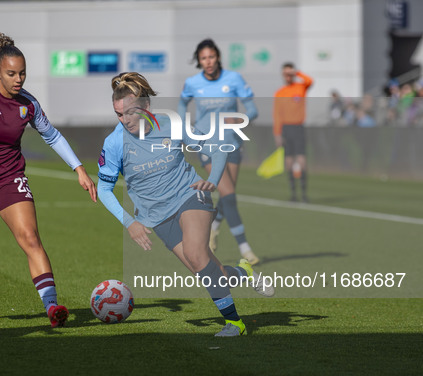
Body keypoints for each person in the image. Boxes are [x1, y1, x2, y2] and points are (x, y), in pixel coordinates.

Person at [98, 72, 273, 337]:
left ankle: (235, 323)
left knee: (196, 253)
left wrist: (212, 180)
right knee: (209, 271)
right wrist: (130, 222)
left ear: (146, 107)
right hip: (156, 216)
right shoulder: (114, 144)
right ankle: (243, 272)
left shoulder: (171, 124)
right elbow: (104, 189)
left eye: (131, 112)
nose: (126, 120)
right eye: (119, 115)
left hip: (190, 195)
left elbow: (218, 148)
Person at [0, 26, 97, 328]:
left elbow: (52, 136)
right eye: (12, 74)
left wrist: (79, 169)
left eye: (22, 73)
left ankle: (52, 307)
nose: (18, 80)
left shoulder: (28, 104)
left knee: (30, 237)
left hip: (9, 177)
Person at [178, 39, 260, 265]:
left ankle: (213, 227)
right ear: (199, 61)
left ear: (218, 57)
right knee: (229, 196)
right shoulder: (192, 83)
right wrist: (187, 129)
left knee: (227, 195)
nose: (208, 62)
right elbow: (182, 105)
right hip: (207, 145)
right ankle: (245, 249)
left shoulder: (233, 79)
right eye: (203, 58)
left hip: (232, 143)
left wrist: (240, 119)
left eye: (211, 57)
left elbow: (252, 110)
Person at [273, 62, 313, 203]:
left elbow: (310, 81)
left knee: (301, 159)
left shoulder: (300, 87)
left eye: (290, 73)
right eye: (285, 73)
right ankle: (293, 194)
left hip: (298, 127)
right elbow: (277, 114)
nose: (288, 76)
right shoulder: (280, 92)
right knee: (289, 161)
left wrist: (297, 73)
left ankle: (304, 194)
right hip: (286, 128)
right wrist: (277, 133)